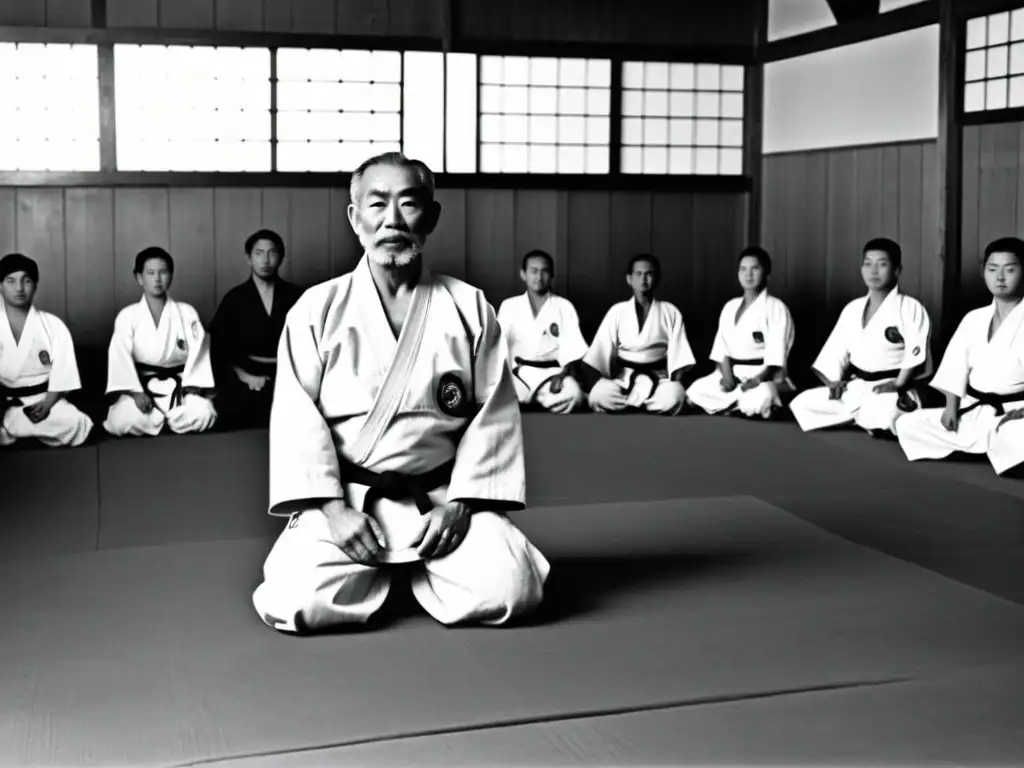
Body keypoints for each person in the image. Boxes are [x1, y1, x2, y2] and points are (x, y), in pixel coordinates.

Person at [252, 152, 550, 633]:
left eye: (409, 204)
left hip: (439, 501)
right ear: (355, 217)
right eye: (377, 205)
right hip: (351, 503)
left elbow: (493, 416)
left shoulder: (469, 306)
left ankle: (403, 573)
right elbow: (295, 420)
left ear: (430, 217)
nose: (392, 220)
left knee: (513, 590)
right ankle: (400, 574)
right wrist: (331, 510)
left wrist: (462, 505)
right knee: (294, 602)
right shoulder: (317, 308)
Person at [894, 237, 1024, 475]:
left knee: (1018, 434)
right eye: (993, 269)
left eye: (1010, 269)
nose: (1000, 277)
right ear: (984, 271)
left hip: (1014, 413)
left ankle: (992, 448)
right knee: (907, 424)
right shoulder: (974, 318)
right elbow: (955, 366)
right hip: (974, 410)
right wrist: (951, 407)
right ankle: (991, 451)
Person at [788, 238, 932, 436]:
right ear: (861, 269)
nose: (873, 271)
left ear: (897, 270)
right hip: (857, 386)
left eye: (882, 264)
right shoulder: (852, 308)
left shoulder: (911, 308)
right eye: (868, 264)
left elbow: (916, 354)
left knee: (888, 412)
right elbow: (836, 349)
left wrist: (898, 383)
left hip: (890, 388)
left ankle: (862, 418)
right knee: (802, 403)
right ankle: (861, 418)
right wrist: (833, 383)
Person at [102, 247, 218, 437]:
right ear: (139, 277)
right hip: (143, 388)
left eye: (163, 272)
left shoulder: (186, 312)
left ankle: (162, 423)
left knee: (204, 413)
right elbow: (119, 355)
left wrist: (193, 387)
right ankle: (169, 423)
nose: (157, 279)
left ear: (171, 276)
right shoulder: (128, 316)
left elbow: (200, 351)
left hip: (181, 386)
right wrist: (135, 391)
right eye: (150, 273)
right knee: (122, 420)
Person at [208, 229, 304, 430]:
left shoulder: (297, 296)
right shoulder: (234, 298)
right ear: (248, 258)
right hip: (247, 376)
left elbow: (310, 345)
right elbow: (218, 346)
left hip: (288, 373)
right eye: (259, 253)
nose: (266, 260)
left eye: (272, 253)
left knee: (303, 412)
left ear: (281, 257)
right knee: (231, 409)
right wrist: (245, 376)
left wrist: (290, 377)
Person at [685, 247, 795, 419]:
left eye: (755, 269)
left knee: (764, 394)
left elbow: (776, 356)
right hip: (733, 374)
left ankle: (737, 405)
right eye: (743, 269)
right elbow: (721, 349)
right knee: (695, 390)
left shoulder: (776, 307)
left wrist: (757, 380)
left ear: (767, 273)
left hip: (762, 376)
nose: (748, 275)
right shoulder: (730, 307)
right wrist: (727, 377)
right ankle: (738, 406)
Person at [579, 254, 695, 415]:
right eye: (638, 274)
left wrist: (676, 383)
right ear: (629, 279)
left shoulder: (670, 311)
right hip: (625, 378)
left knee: (675, 396)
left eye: (649, 274)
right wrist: (599, 381)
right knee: (598, 396)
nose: (643, 280)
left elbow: (680, 355)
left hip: (658, 378)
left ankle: (636, 404)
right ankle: (644, 405)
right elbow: (599, 350)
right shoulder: (617, 311)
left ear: (657, 278)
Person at [0, 253, 93, 448]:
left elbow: (63, 374)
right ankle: (22, 431)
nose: (19, 288)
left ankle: (15, 435)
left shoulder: (52, 325)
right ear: (0, 285)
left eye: (26, 281)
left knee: (77, 423)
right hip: (7, 402)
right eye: (11, 281)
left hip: (45, 399)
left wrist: (47, 404)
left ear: (35, 285)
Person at [496, 249, 589, 414]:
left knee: (574, 395)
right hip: (519, 373)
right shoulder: (509, 306)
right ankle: (534, 402)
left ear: (551, 275)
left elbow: (573, 348)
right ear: (523, 274)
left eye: (544, 271)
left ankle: (534, 404)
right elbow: (500, 347)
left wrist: (563, 375)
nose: (539, 277)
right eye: (533, 271)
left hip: (553, 373)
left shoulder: (563, 306)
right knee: (494, 397)